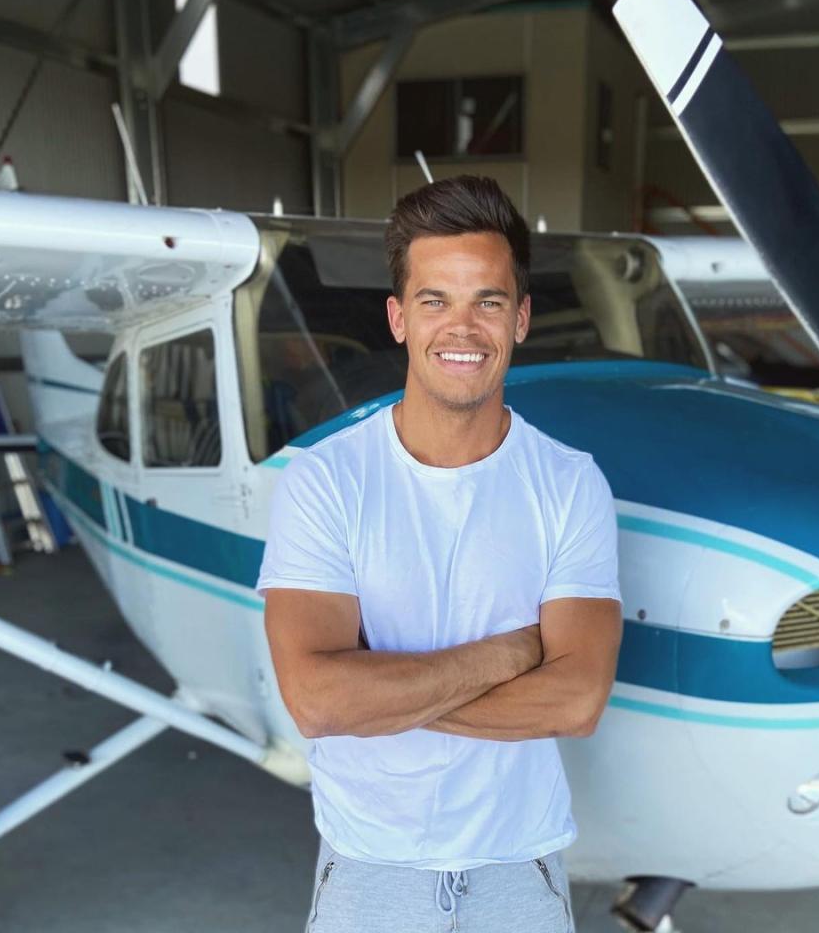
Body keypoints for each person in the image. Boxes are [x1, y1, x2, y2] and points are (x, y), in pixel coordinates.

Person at [257, 175, 623, 933]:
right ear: (398, 318)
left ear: (520, 318)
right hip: (368, 872)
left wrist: (387, 696)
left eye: (487, 301)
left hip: (520, 873)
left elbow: (577, 700)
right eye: (435, 301)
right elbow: (319, 702)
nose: (463, 329)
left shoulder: (569, 483)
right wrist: (513, 655)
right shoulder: (325, 480)